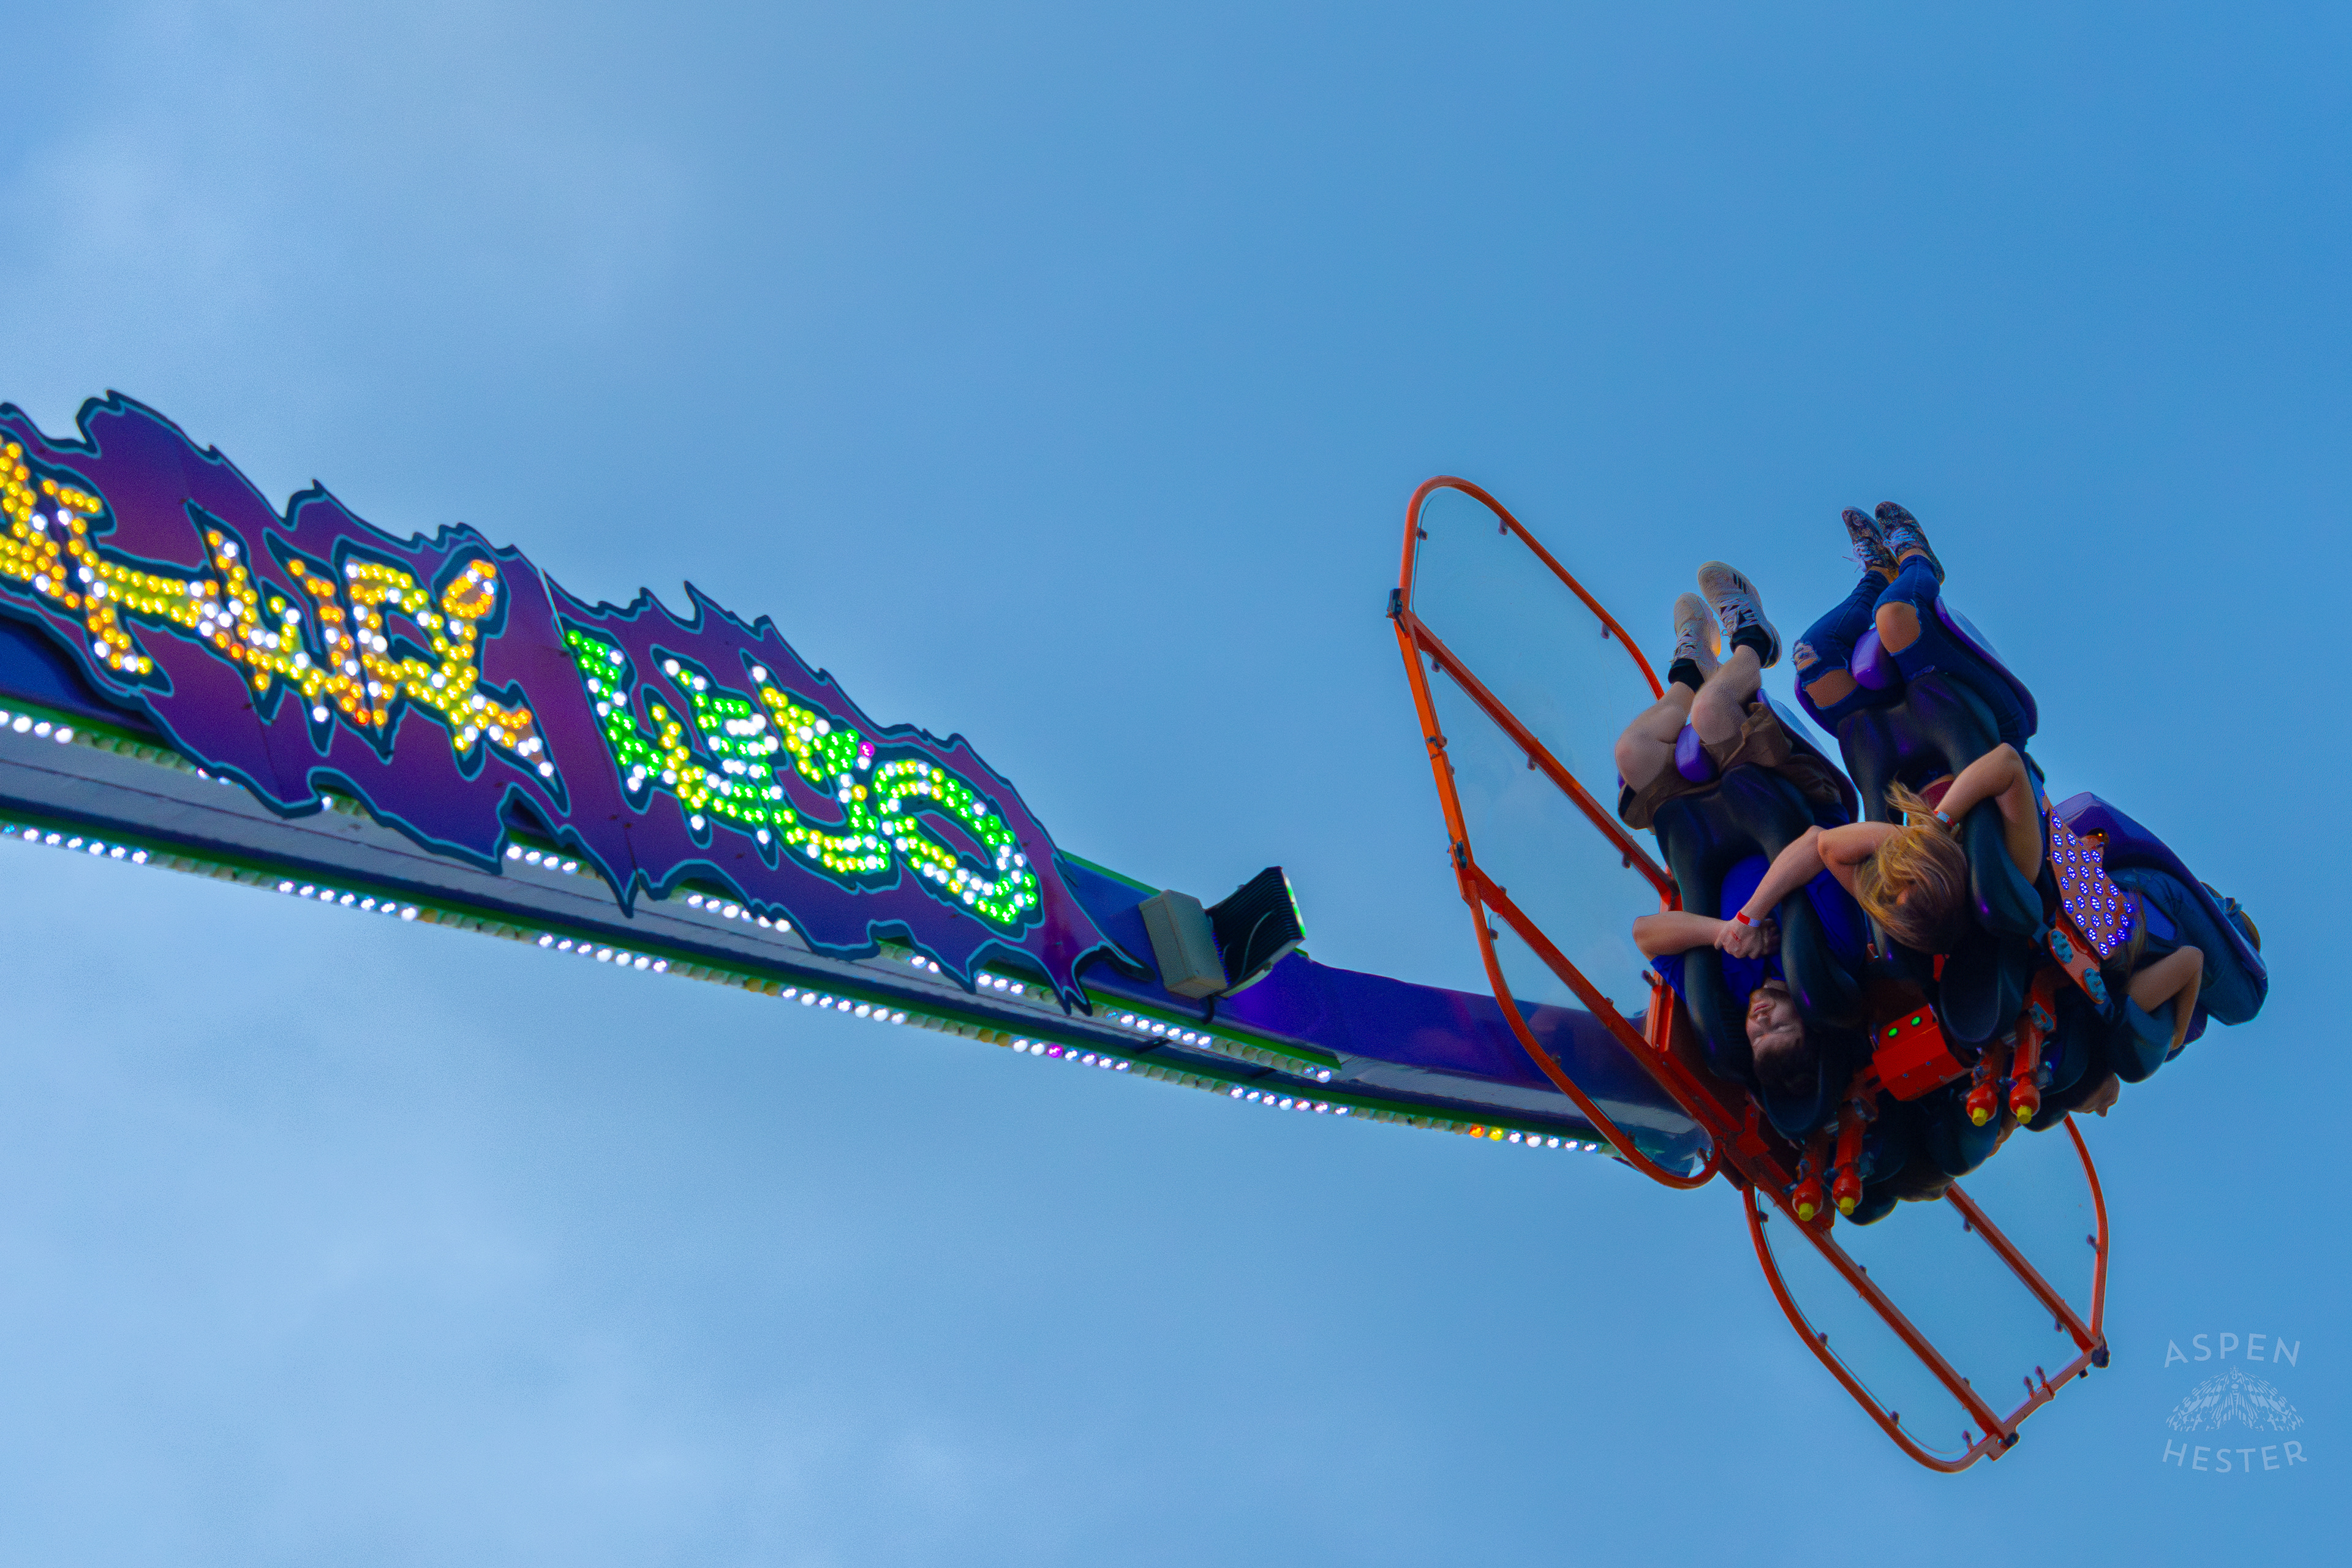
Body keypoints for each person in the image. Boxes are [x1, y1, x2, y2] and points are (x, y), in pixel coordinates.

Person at [1728, 507, 2045, 954]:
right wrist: (1934, 829)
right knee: (1894, 617)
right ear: (1943, 884)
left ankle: (1876, 569)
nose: (1894, 885)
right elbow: (2006, 766)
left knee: (1812, 657)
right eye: (1909, 885)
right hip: (1978, 721)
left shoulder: (1890, 888)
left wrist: (1901, 845)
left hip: (1892, 742)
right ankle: (1917, 557)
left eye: (1891, 895)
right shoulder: (2012, 866)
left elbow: (1829, 847)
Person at [1615, 570, 1868, 1105]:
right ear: (1810, 1023)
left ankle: (1690, 668)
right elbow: (1814, 843)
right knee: (1711, 713)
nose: (1760, 1020)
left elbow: (1646, 933)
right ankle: (1756, 641)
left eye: (1757, 1038)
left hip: (1700, 825)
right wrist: (1752, 918)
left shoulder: (1729, 992)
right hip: (1779, 793)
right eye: (1781, 1027)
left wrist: (1720, 933)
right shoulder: (1835, 953)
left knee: (1632, 753)